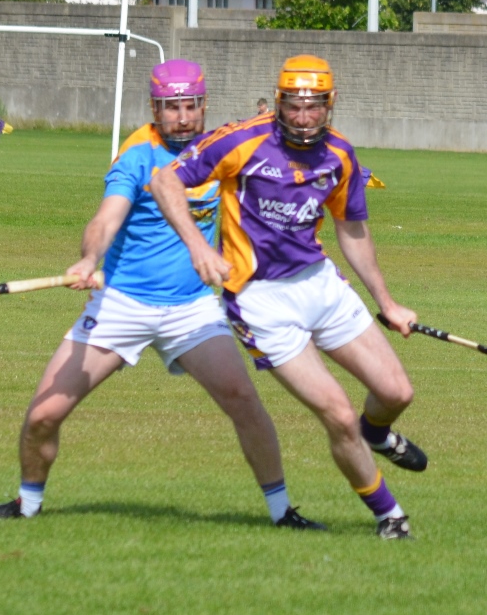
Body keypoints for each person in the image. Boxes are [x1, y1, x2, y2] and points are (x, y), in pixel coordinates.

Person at [0, 59, 323, 530]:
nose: (182, 116)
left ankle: (282, 513)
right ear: (155, 108)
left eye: (190, 106)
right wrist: (88, 259)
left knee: (243, 400)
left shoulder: (218, 152)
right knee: (44, 414)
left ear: (204, 104)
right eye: (170, 107)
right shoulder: (137, 155)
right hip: (121, 306)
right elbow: (105, 220)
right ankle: (26, 505)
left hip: (192, 310)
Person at [152, 54, 425, 540]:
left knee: (396, 392)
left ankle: (377, 435)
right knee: (338, 413)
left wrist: (387, 302)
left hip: (318, 283)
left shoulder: (339, 155)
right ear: (278, 103)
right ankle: (390, 516)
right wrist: (197, 246)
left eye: (313, 107)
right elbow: (164, 179)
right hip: (260, 302)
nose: (302, 117)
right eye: (293, 106)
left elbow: (352, 228)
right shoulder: (243, 140)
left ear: (330, 105)